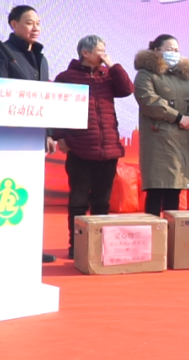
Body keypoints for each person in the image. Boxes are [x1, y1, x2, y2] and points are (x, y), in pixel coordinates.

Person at [0, 5, 59, 263]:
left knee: (31, 194)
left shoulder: (41, 58)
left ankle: (29, 247)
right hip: (8, 138)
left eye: (38, 23)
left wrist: (48, 133)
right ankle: (1, 247)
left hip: (34, 137)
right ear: (13, 24)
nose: (35, 28)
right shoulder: (0, 55)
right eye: (29, 22)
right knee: (7, 194)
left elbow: (45, 100)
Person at [52, 35, 134, 259]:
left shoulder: (107, 76)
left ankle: (99, 247)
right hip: (80, 147)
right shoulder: (66, 78)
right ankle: (77, 246)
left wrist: (112, 65)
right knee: (78, 202)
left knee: (102, 202)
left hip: (108, 148)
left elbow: (127, 89)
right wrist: (59, 136)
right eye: (100, 50)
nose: (104, 54)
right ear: (85, 53)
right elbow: (56, 109)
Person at [134, 34, 189, 216]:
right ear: (157, 50)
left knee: (175, 190)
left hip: (182, 140)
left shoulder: (183, 77)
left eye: (177, 50)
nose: (174, 53)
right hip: (159, 141)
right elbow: (149, 101)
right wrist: (178, 117)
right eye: (170, 49)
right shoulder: (146, 75)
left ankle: (173, 230)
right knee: (157, 189)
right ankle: (154, 230)